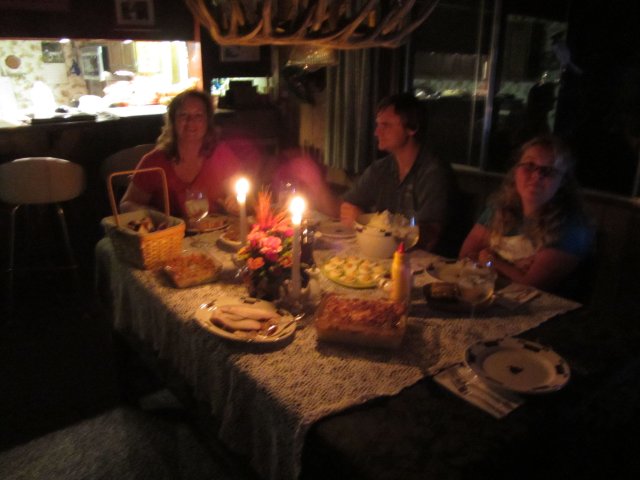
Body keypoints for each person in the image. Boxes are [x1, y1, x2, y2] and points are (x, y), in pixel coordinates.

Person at [459, 135, 594, 292]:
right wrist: (513, 269)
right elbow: (465, 256)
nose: (537, 175)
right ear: (516, 170)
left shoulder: (571, 228)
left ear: (562, 181)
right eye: (529, 165)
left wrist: (489, 258)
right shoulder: (499, 208)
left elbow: (528, 286)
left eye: (548, 171)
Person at [340, 93, 456, 251]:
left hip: (421, 263)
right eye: (377, 124)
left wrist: (371, 228)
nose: (376, 132)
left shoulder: (434, 173)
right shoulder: (381, 169)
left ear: (412, 128)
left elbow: (430, 236)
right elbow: (348, 205)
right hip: (385, 254)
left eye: (386, 125)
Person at [120, 89, 249, 218]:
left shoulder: (221, 153)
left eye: (198, 115)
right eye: (183, 115)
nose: (191, 121)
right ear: (173, 121)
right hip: (169, 235)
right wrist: (155, 216)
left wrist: (237, 203)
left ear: (208, 121)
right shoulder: (154, 160)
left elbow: (247, 196)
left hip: (213, 234)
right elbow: (126, 204)